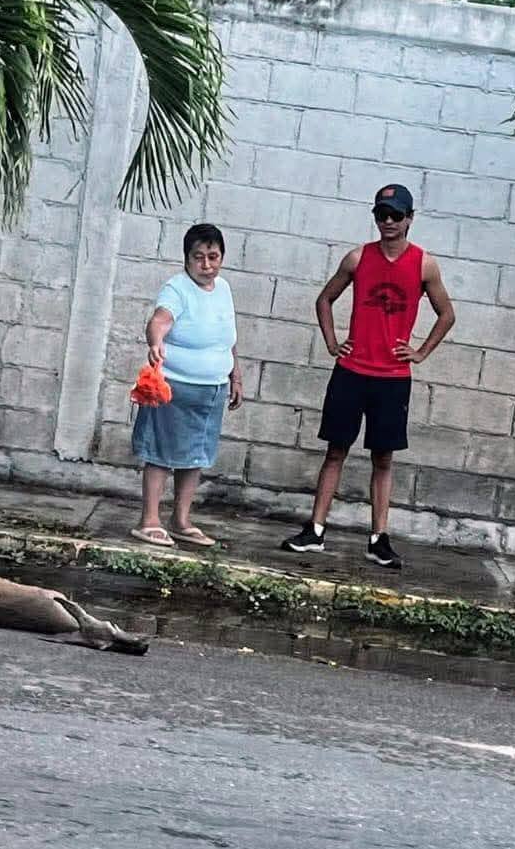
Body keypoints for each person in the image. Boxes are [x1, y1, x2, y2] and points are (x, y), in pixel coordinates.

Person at [281, 183, 455, 568]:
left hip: (392, 377)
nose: (388, 222)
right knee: (335, 451)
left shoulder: (424, 264)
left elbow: (447, 314)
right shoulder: (358, 258)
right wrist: (332, 343)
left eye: (396, 215)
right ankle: (316, 531)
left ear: (410, 219)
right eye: (382, 214)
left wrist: (421, 352)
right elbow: (324, 299)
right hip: (352, 371)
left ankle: (378, 538)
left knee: (383, 459)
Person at [130, 223, 242, 549]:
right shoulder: (176, 288)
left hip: (212, 389)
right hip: (175, 387)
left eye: (213, 257)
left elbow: (228, 336)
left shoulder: (223, 289)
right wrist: (155, 342)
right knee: (161, 453)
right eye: (199, 258)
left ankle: (181, 520)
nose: (206, 265)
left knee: (195, 456)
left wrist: (235, 374)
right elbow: (160, 320)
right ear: (186, 259)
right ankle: (149, 520)